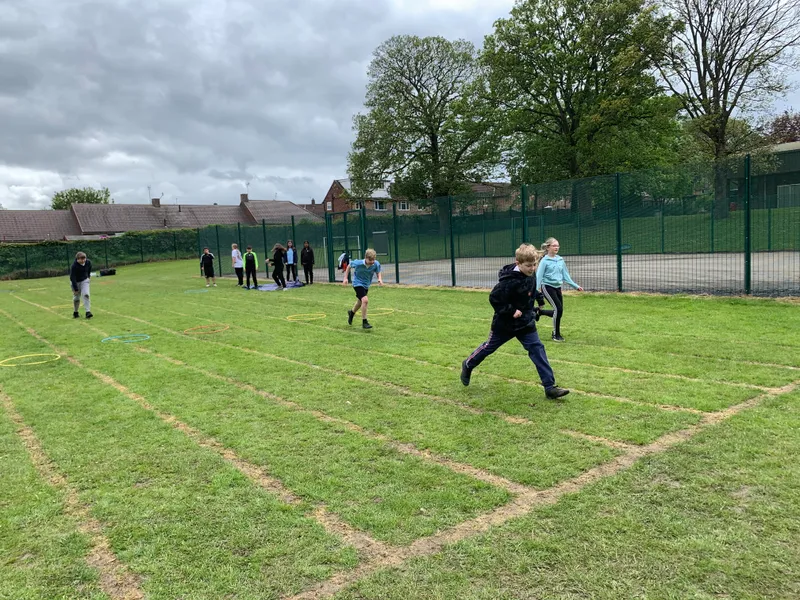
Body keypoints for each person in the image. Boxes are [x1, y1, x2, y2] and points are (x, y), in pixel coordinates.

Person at [461, 244, 568, 399]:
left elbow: (531, 290)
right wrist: (511, 311)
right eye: (528, 266)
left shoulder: (531, 274)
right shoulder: (508, 281)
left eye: (534, 265)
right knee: (488, 347)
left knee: (537, 349)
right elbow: (494, 298)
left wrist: (538, 300)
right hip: (505, 324)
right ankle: (468, 364)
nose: (532, 268)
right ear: (518, 263)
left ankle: (549, 387)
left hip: (525, 323)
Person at [536, 237, 582, 342]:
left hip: (557, 287)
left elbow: (566, 276)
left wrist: (575, 286)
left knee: (559, 311)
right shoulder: (544, 261)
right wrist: (535, 291)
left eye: (558, 245)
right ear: (548, 247)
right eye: (554, 245)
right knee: (558, 309)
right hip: (547, 287)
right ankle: (556, 334)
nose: (557, 247)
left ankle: (540, 312)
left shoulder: (560, 260)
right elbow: (539, 277)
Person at [342, 248, 382, 329]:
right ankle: (365, 322)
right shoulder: (358, 263)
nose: (372, 262)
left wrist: (379, 279)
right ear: (366, 258)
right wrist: (345, 278)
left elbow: (378, 271)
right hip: (357, 283)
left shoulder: (376, 264)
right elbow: (349, 266)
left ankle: (351, 313)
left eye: (373, 260)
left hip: (366, 285)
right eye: (370, 260)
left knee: (360, 302)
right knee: (365, 300)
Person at [70, 251, 93, 319]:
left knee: (86, 294)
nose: (83, 261)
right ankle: (75, 312)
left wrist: (88, 276)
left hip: (84, 281)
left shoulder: (88, 262)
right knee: (76, 298)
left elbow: (89, 268)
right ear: (77, 259)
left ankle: (88, 312)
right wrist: (76, 289)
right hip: (75, 282)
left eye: (84, 259)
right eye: (81, 259)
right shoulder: (74, 266)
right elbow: (72, 278)